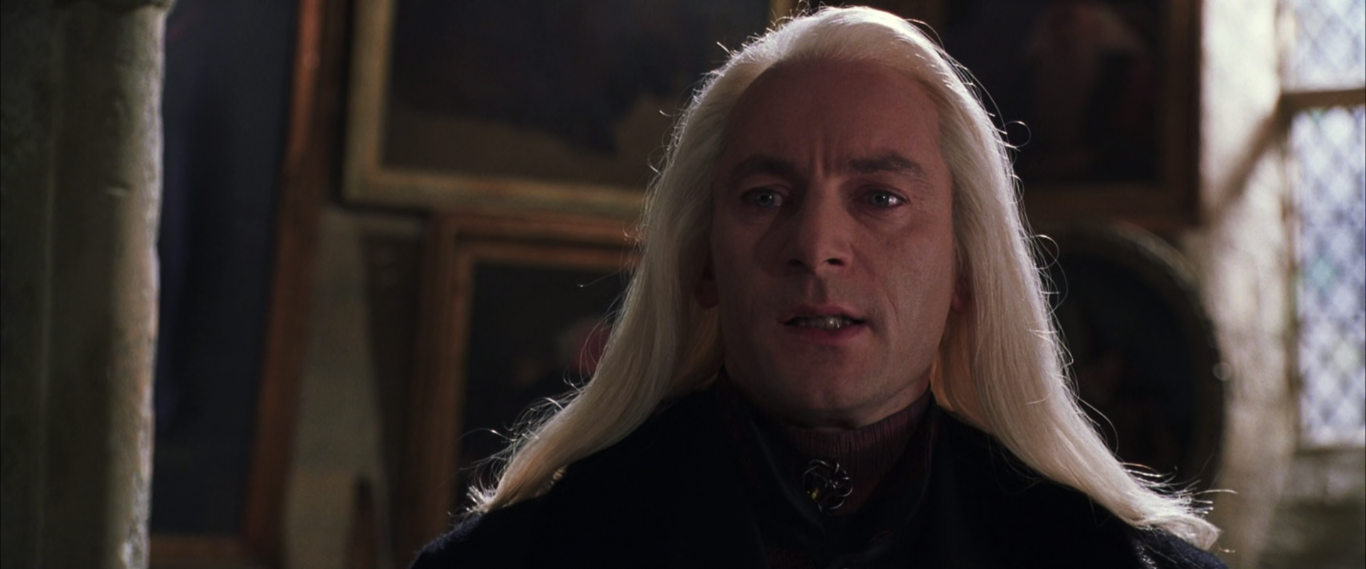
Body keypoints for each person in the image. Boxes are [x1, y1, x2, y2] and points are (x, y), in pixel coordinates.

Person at [411, 6, 1225, 568]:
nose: (816, 247)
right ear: (702, 261)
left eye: (880, 198)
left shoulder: (1110, 558)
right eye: (766, 197)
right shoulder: (528, 553)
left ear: (965, 267)